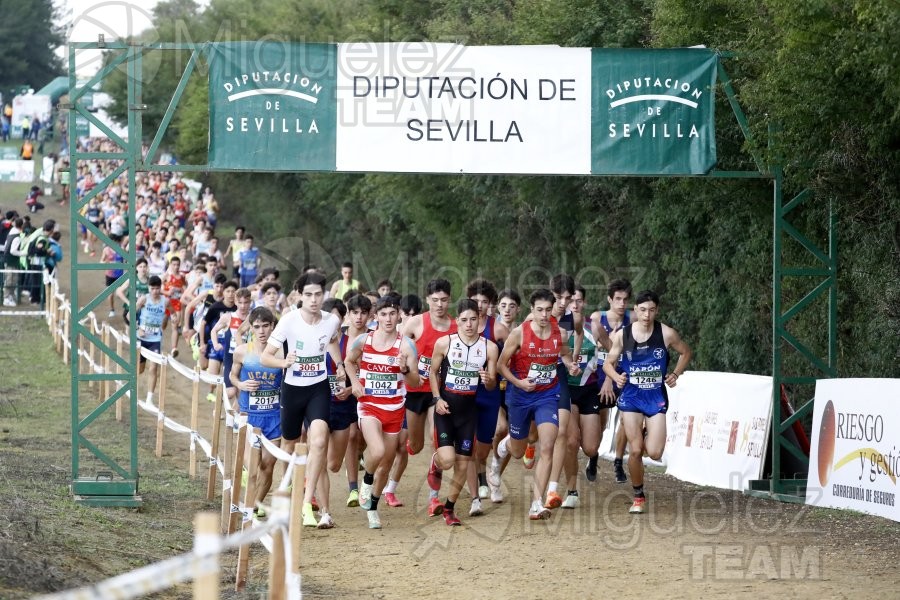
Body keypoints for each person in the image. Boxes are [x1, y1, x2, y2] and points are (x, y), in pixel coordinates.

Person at [260, 271, 344, 530]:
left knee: (319, 440)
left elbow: (331, 341)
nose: (314, 299)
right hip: (292, 390)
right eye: (308, 295)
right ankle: (286, 495)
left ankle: (308, 504)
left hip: (318, 388)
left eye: (318, 294)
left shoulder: (331, 320)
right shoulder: (288, 321)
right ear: (299, 295)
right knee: (289, 446)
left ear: (324, 295)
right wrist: (284, 362)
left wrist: (339, 363)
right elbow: (266, 357)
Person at [602, 290, 692, 514]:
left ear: (657, 311)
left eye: (651, 310)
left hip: (655, 398)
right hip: (631, 397)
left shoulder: (666, 333)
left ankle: (644, 436)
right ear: (636, 311)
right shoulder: (624, 335)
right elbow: (607, 364)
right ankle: (638, 495)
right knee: (635, 451)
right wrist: (616, 377)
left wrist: (676, 374)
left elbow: (686, 352)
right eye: (642, 310)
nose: (647, 315)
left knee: (654, 453)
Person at [495, 288, 580, 520]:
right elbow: (501, 366)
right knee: (518, 450)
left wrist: (570, 364)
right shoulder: (519, 334)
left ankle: (536, 503)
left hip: (547, 395)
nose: (544, 315)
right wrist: (519, 383)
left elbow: (563, 354)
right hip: (520, 396)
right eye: (539, 310)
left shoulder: (559, 333)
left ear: (552, 310)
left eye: (547, 310)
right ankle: (504, 446)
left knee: (548, 446)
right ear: (532, 310)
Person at [343, 295, 420, 529]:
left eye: (393, 313)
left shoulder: (406, 345)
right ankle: (366, 481)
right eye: (383, 314)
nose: (388, 318)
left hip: (395, 408)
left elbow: (415, 383)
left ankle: (373, 506)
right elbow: (348, 361)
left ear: (399, 316)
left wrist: (405, 369)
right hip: (368, 405)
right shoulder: (364, 341)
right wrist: (355, 382)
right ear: (376, 316)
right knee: (376, 450)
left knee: (386, 463)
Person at [388, 278, 456, 516]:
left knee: (435, 438)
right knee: (415, 446)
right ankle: (407, 451)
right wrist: (404, 365)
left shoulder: (455, 327)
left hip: (439, 392)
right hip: (415, 390)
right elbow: (397, 348)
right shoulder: (416, 323)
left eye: (444, 300)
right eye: (435, 300)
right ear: (428, 300)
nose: (439, 304)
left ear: (450, 299)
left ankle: (433, 498)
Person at [430, 298, 499, 526]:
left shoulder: (489, 347)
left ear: (479, 319)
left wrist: (489, 381)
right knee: (448, 461)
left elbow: (490, 385)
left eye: (473, 319)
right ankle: (436, 462)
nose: (469, 324)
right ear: (456, 321)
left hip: (469, 413)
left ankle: (449, 509)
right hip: (446, 409)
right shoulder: (444, 343)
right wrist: (437, 398)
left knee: (463, 463)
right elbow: (432, 372)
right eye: (464, 320)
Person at [230, 307, 284, 521]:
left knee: (267, 467)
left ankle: (252, 506)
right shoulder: (242, 351)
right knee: (253, 466)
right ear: (250, 328)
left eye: (265, 326)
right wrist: (241, 384)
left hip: (274, 418)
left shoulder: (280, 353)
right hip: (249, 416)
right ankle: (250, 505)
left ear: (272, 326)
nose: (261, 331)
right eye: (257, 327)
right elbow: (232, 376)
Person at [464, 278, 508, 515]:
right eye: (475, 301)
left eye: (484, 301)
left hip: (490, 394)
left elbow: (512, 358)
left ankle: (483, 473)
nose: (479, 305)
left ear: (490, 304)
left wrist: (497, 378)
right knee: (468, 448)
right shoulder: (459, 327)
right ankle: (475, 499)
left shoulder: (498, 329)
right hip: (464, 393)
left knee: (482, 449)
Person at [590, 279, 633, 483]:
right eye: (617, 299)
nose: (621, 303)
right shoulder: (598, 319)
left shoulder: (633, 319)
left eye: (625, 299)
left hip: (624, 374)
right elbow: (595, 348)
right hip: (600, 374)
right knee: (600, 422)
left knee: (626, 418)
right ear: (609, 299)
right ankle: (593, 456)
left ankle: (618, 461)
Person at [135, 276, 170, 404]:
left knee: (153, 368)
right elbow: (129, 314)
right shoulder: (144, 299)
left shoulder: (165, 301)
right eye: (152, 288)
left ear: (160, 288)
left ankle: (149, 399)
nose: (155, 291)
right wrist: (137, 328)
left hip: (155, 339)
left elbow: (166, 323)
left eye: (157, 288)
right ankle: (130, 387)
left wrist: (168, 317)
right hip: (141, 338)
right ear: (149, 288)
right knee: (140, 369)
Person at [2, 217, 24, 306]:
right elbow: (13, 251)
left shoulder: (10, 233)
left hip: (9, 260)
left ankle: (10, 296)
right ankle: (6, 298)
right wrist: (23, 253)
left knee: (12, 279)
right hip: (11, 260)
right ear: (21, 226)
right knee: (10, 280)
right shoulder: (17, 237)